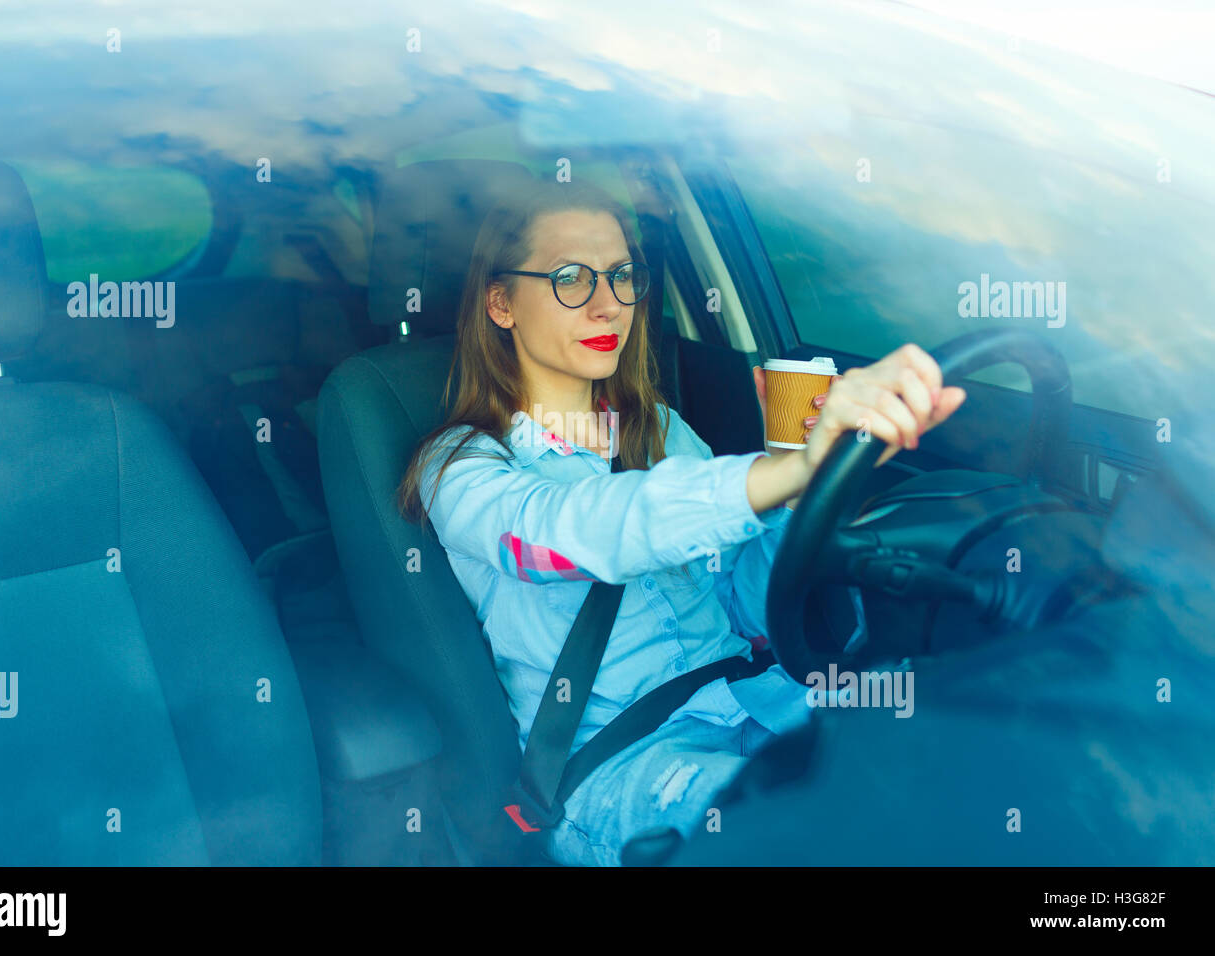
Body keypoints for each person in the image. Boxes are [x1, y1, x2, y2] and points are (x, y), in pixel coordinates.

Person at [396, 176, 967, 866]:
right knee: (812, 834)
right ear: (501, 302)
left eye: (623, 276)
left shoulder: (661, 431)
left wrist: (802, 492)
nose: (609, 303)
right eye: (572, 278)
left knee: (945, 765)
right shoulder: (460, 467)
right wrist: (776, 472)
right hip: (623, 766)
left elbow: (748, 606)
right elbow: (569, 535)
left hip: (754, 702)